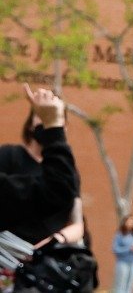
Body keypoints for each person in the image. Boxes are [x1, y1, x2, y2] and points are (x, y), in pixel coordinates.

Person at [0, 84, 78, 234]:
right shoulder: (9, 155)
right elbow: (55, 192)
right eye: (41, 117)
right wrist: (53, 127)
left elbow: (75, 220)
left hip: (44, 253)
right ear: (30, 125)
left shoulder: (68, 169)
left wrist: (58, 239)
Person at [111, 216, 133, 293]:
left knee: (130, 285)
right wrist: (128, 248)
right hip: (122, 263)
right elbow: (115, 249)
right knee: (121, 285)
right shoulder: (119, 235)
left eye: (132, 221)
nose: (130, 223)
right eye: (128, 221)